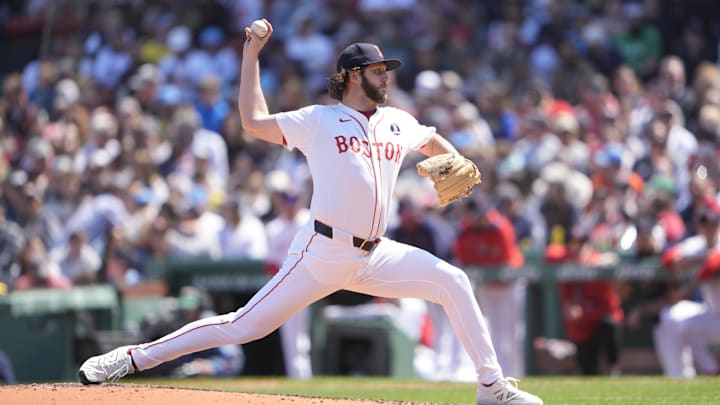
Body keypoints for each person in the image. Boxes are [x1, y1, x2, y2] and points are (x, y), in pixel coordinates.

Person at [78, 19, 543, 405]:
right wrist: (251, 56)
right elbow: (252, 123)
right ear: (354, 74)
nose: (387, 76)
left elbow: (429, 138)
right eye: (379, 69)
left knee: (453, 281)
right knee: (244, 326)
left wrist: (452, 158)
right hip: (321, 251)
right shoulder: (318, 120)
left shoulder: (397, 120)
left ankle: (491, 387)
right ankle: (131, 359)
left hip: (376, 254)